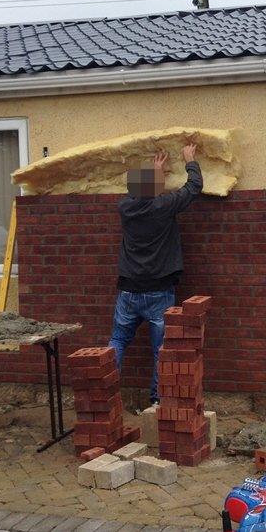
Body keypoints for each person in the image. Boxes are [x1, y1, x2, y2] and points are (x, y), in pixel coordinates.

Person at [110, 143, 202, 407]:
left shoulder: (125, 207)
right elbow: (193, 187)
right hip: (159, 292)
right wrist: (190, 160)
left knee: (117, 340)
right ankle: (157, 402)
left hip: (128, 291)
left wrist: (151, 173)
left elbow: (142, 193)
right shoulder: (164, 206)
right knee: (161, 350)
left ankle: (104, 391)